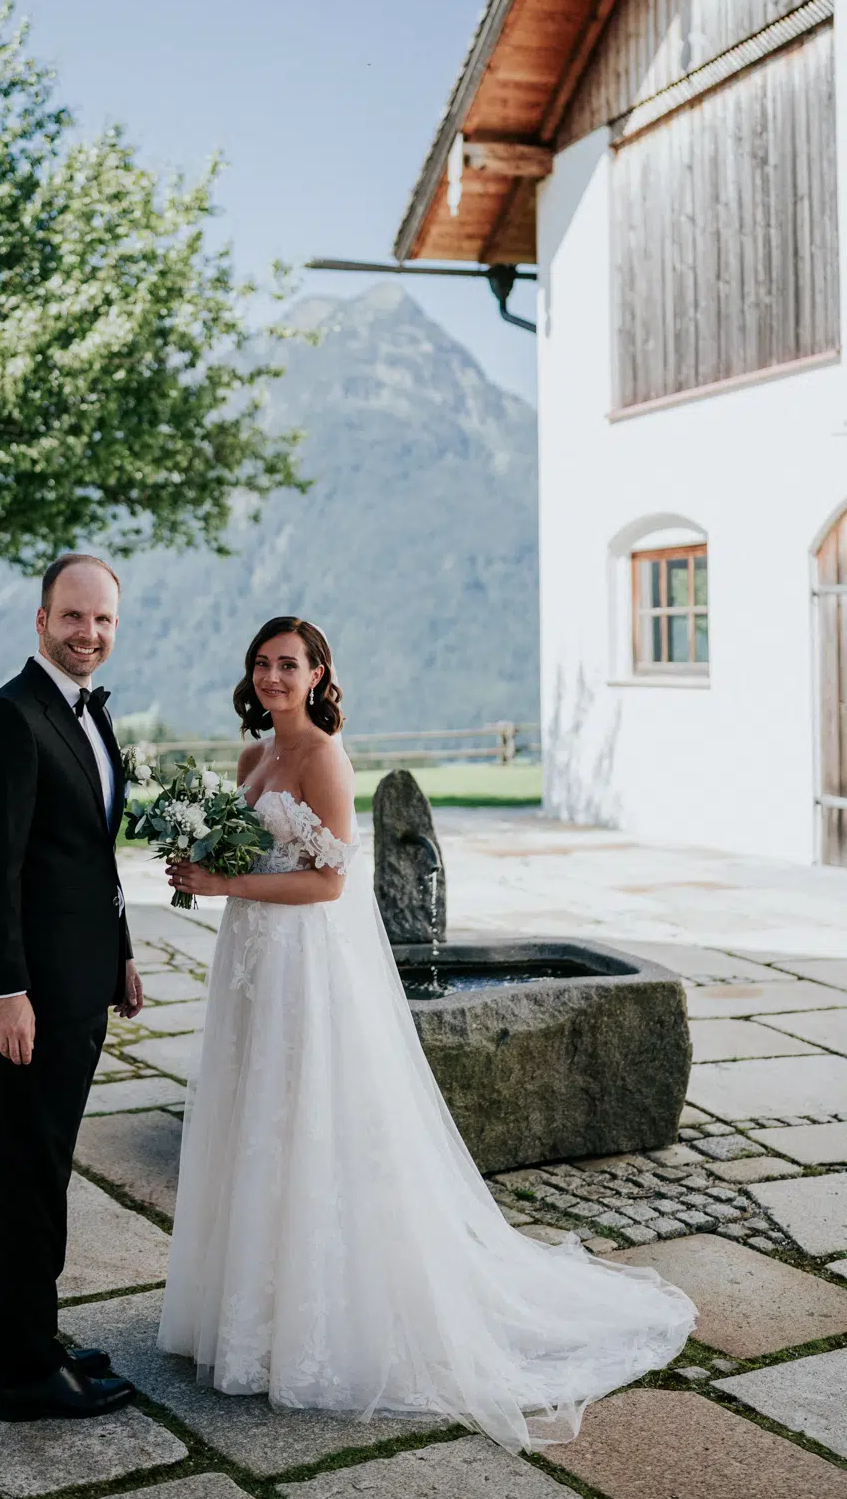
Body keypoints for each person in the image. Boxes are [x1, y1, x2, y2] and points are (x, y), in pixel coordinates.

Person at [157, 615, 696, 1453]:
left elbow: (332, 885)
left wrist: (223, 880)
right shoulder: (252, 757)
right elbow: (259, 853)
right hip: (253, 963)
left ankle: (321, 1319)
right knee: (251, 1114)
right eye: (262, 664)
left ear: (318, 673)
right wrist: (205, 865)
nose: (272, 678)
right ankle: (247, 1314)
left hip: (305, 962)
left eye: (288, 665)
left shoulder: (326, 758)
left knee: (309, 1121)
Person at [0, 553, 144, 1422]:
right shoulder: (8, 718)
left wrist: (123, 955)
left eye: (103, 620)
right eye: (74, 617)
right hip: (28, 999)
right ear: (41, 620)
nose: (89, 634)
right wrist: (4, 991)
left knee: (46, 1169)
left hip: (79, 986)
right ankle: (26, 1372)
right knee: (29, 1175)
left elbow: (88, 857)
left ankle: (23, 1342)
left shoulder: (84, 714)